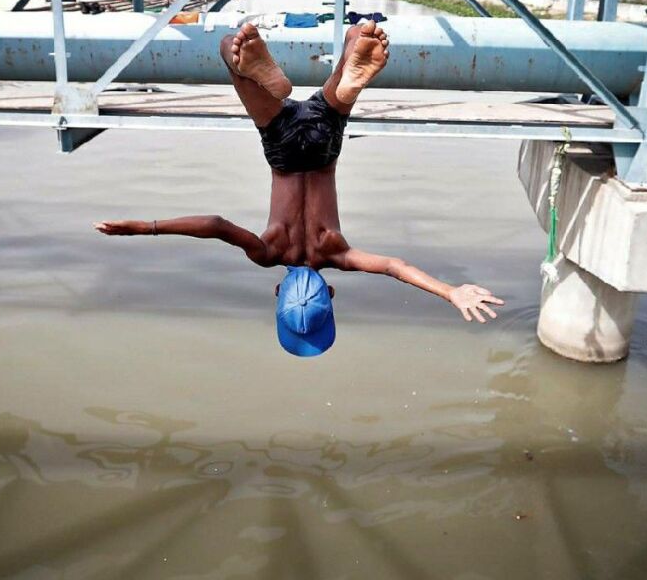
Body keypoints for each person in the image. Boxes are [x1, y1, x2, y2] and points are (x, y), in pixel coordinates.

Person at [96, 21, 503, 356]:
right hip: (282, 145)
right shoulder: (269, 251)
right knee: (227, 46)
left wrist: (451, 292)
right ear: (277, 291)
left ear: (330, 291)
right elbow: (216, 224)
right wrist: (145, 227)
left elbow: (394, 267)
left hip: (326, 143)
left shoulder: (338, 254)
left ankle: (350, 66)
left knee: (355, 41)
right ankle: (255, 72)